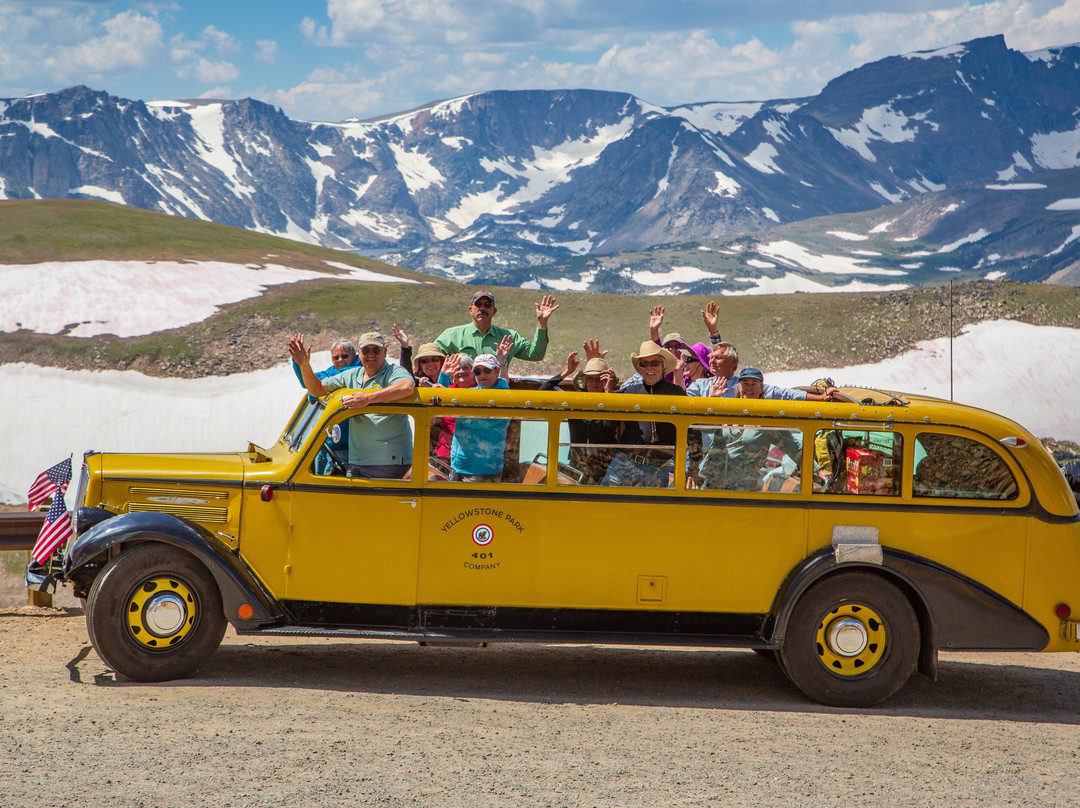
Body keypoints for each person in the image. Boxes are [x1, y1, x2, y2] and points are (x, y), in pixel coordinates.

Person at [288, 331, 415, 479]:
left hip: (387, 463)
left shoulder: (393, 372)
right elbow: (317, 389)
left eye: (376, 350)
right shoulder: (352, 375)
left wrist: (367, 398)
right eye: (366, 350)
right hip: (356, 462)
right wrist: (303, 364)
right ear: (360, 353)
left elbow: (407, 387)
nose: (371, 354)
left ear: (385, 352)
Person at [696, 367, 804, 491]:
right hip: (711, 481)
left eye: (754, 384)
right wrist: (712, 402)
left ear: (761, 388)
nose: (749, 388)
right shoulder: (726, 409)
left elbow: (793, 446)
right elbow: (706, 429)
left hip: (743, 487)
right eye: (745, 384)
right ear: (739, 387)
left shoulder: (767, 420)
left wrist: (819, 470)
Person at [602, 341, 687, 488]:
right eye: (644, 364)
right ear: (640, 368)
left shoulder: (677, 394)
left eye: (654, 363)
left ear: (663, 366)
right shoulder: (629, 392)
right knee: (605, 505)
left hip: (659, 467)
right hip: (625, 463)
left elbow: (690, 432)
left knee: (650, 510)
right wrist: (609, 398)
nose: (649, 368)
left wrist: (693, 469)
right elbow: (608, 425)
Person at [434, 290, 558, 372]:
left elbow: (535, 354)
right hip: (462, 396)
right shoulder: (451, 335)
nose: (482, 308)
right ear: (470, 309)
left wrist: (542, 322)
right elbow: (430, 359)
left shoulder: (509, 337)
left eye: (488, 305)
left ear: (494, 311)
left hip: (496, 398)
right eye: (478, 304)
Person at [288, 337, 361, 475]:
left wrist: (316, 389)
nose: (340, 360)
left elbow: (323, 381)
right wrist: (299, 364)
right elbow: (308, 382)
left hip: (348, 448)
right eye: (336, 357)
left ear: (355, 356)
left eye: (344, 356)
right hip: (328, 443)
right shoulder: (331, 371)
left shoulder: (359, 370)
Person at [686, 343, 840, 401]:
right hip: (700, 452)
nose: (711, 361)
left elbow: (785, 394)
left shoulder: (746, 386)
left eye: (718, 358)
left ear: (733, 362)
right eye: (710, 358)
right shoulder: (700, 385)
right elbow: (682, 403)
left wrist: (820, 397)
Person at [447, 353, 511, 482]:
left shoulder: (504, 398)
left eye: (487, 370)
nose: (482, 375)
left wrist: (457, 408)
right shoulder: (474, 393)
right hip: (459, 465)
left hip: (483, 470)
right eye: (477, 371)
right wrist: (444, 376)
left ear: (497, 371)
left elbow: (473, 421)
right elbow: (441, 404)